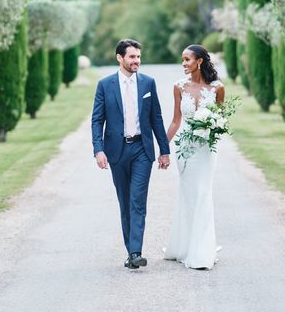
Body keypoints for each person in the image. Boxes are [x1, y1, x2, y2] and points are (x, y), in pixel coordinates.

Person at [91, 38, 170, 269]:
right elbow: (97, 120)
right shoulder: (105, 85)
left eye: (138, 57)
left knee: (137, 201)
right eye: (132, 57)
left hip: (142, 151)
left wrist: (164, 151)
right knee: (125, 202)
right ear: (120, 58)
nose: (137, 61)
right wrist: (98, 149)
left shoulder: (148, 83)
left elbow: (156, 117)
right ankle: (130, 252)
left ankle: (136, 252)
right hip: (116, 151)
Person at [164, 44, 224, 270]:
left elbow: (221, 119)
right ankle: (186, 245)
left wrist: (214, 128)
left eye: (187, 59)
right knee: (188, 195)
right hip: (185, 149)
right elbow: (175, 121)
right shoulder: (179, 87)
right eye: (182, 60)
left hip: (207, 150)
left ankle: (202, 250)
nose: (184, 64)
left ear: (199, 61)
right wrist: (163, 147)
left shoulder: (218, 88)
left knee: (203, 193)